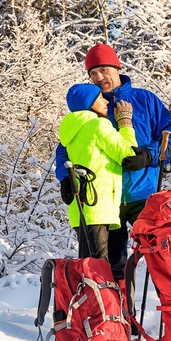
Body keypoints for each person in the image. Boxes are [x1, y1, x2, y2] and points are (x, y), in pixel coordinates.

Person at [55, 43, 171, 283]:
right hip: (105, 201)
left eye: (103, 70)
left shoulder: (145, 100)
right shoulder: (89, 109)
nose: (99, 77)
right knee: (113, 268)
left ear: (116, 67)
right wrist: (64, 177)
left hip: (142, 194)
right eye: (93, 73)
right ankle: (119, 318)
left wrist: (149, 155)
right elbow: (64, 148)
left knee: (163, 260)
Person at [59, 83, 137, 260]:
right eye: (100, 97)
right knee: (98, 270)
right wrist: (125, 124)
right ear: (89, 103)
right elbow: (129, 155)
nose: (106, 102)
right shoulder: (97, 125)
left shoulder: (73, 130)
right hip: (98, 204)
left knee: (90, 265)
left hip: (82, 207)